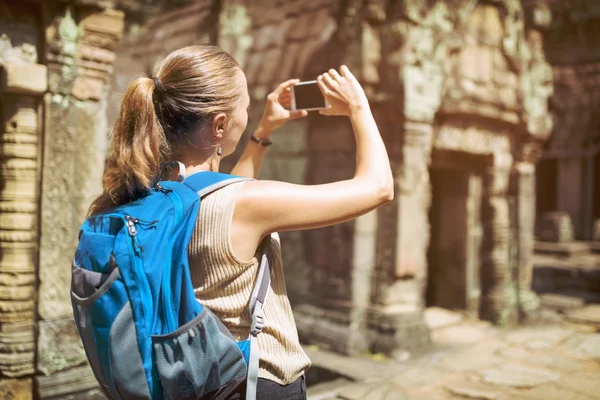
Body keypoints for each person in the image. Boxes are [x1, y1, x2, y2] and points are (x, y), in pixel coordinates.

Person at [88, 45, 393, 400]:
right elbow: (378, 188)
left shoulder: (140, 194)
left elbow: (226, 194)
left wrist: (263, 131)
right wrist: (360, 108)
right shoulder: (244, 205)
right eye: (246, 107)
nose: (248, 113)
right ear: (220, 124)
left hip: (188, 379)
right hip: (253, 382)